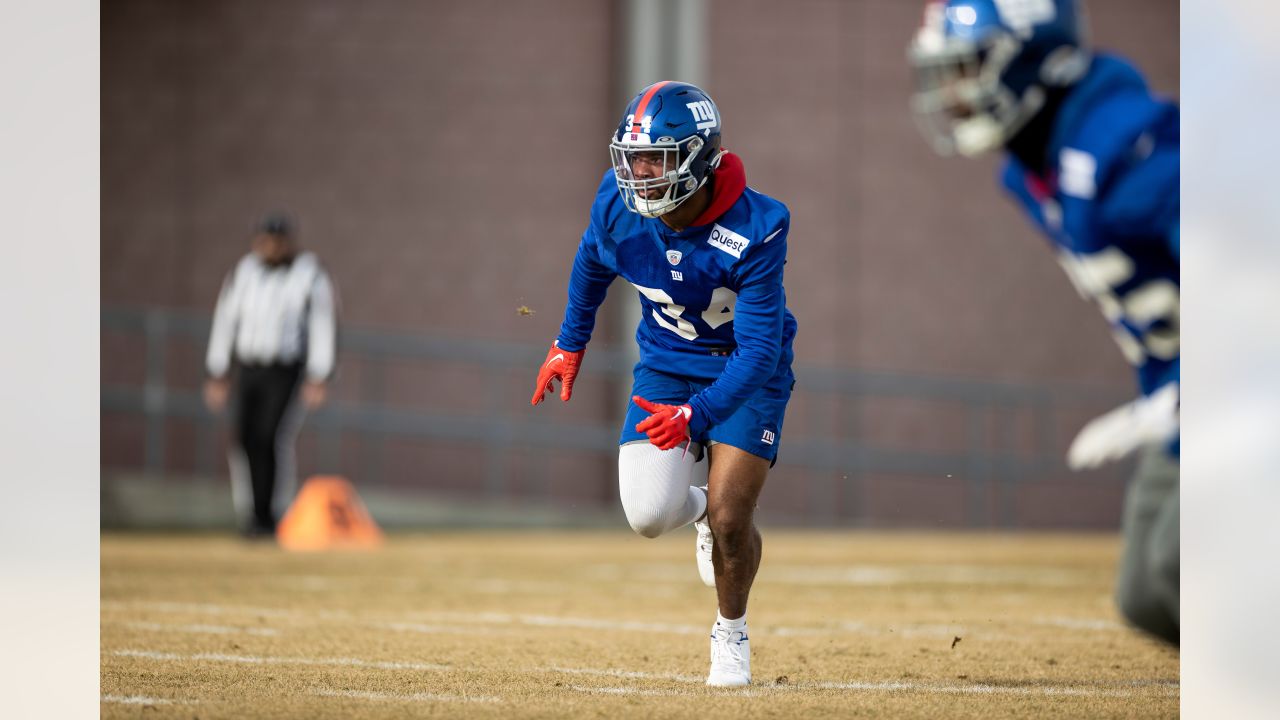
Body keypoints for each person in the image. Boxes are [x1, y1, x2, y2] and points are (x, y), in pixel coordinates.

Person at [908, 0, 1179, 645]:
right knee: (1146, 594)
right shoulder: (1031, 173)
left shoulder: (1129, 150)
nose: (953, 91)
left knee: (1181, 564)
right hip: (1174, 398)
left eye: (970, 67)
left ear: (1035, 59)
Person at [530, 81, 798, 686]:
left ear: (699, 158)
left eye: (657, 158)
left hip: (743, 371)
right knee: (649, 516)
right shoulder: (616, 204)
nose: (640, 174)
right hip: (667, 365)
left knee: (734, 518)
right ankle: (695, 510)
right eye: (632, 158)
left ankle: (731, 634)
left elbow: (756, 351)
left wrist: (696, 417)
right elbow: (592, 260)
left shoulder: (759, 225)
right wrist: (568, 342)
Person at [204, 213, 338, 538]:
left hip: (285, 369)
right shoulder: (244, 272)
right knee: (244, 439)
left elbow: (323, 325)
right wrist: (218, 369)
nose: (272, 247)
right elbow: (226, 321)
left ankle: (273, 513)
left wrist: (320, 374)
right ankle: (251, 513)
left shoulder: (309, 274)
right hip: (249, 366)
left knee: (271, 437)